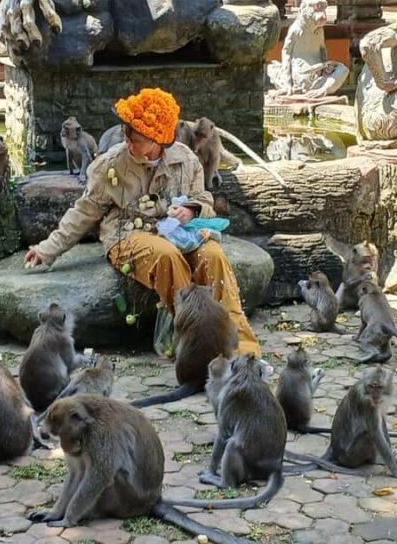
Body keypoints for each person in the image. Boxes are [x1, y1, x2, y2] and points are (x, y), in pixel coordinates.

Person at [24, 88, 260, 357]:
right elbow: (83, 212)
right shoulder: (111, 165)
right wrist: (47, 249)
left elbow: (204, 199)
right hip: (128, 234)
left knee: (213, 255)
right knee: (167, 256)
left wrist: (192, 210)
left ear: (158, 139)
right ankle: (197, 343)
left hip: (180, 233)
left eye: (136, 139)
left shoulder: (186, 159)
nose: (128, 142)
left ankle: (244, 351)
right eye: (126, 134)